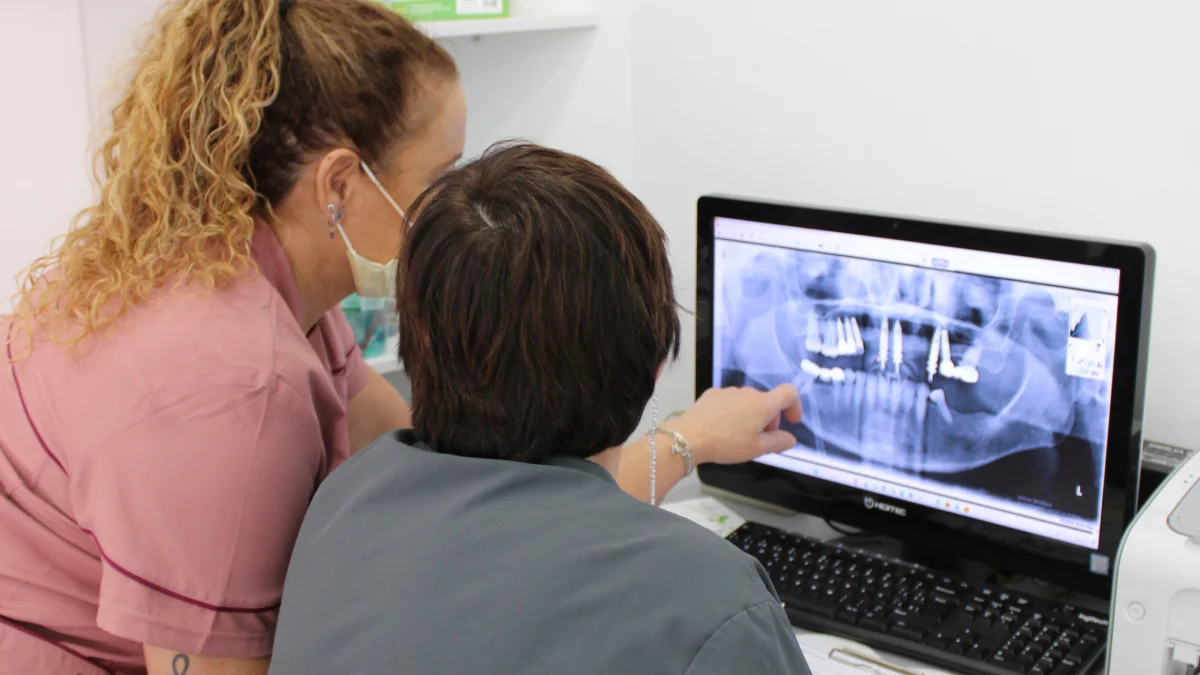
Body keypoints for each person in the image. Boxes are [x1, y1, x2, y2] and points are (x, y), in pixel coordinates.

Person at [0, 1, 802, 674]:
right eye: (441, 175)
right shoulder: (231, 388)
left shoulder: (277, 295)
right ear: (342, 184)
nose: (459, 208)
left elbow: (478, 478)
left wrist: (689, 438)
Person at [268, 142, 812, 675]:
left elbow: (526, 540)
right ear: (650, 368)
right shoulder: (714, 602)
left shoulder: (342, 504)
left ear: (414, 342)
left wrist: (687, 439)